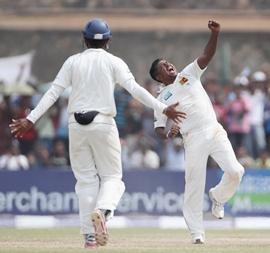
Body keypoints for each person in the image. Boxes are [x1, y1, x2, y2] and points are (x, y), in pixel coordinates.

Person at [9, 19, 185, 249]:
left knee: (85, 182)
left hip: (76, 125)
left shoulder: (73, 61)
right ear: (109, 41)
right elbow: (135, 90)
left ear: (84, 40)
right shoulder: (114, 62)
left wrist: (31, 119)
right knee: (113, 178)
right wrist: (162, 108)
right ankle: (103, 211)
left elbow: (53, 93)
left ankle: (89, 238)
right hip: (102, 123)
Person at [149, 20, 244, 244]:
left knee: (236, 171)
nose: (169, 65)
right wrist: (169, 134)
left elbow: (207, 55)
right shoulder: (162, 99)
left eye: (168, 62)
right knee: (193, 185)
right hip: (193, 139)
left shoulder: (187, 74)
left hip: (214, 130)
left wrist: (216, 34)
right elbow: (159, 129)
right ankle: (196, 233)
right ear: (158, 77)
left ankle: (218, 197)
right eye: (163, 66)